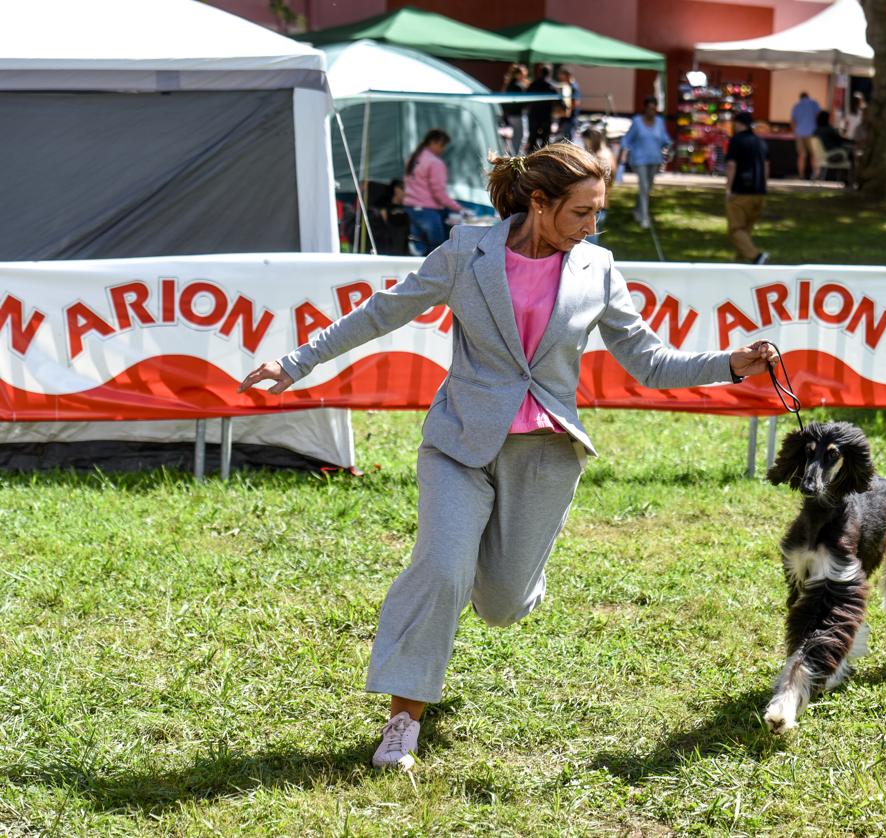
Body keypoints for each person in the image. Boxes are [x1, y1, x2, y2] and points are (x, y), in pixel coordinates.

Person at [236, 142, 780, 771]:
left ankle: (510, 576)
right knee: (440, 571)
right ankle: (402, 723)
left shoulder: (597, 268)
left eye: (598, 213)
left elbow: (648, 360)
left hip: (544, 452)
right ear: (539, 203)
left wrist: (728, 364)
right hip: (459, 443)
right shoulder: (468, 252)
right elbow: (382, 313)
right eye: (582, 212)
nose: (591, 227)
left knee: (500, 605)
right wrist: (296, 362)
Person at [402, 129, 463, 256]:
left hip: (411, 209)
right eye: (442, 146)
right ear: (434, 142)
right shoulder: (435, 163)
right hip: (428, 212)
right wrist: (458, 208)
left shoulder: (413, 159)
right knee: (436, 251)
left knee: (417, 249)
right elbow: (438, 193)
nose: (442, 150)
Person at [618, 96, 672, 229]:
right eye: (649, 108)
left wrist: (670, 146)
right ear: (645, 109)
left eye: (654, 109)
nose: (652, 111)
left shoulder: (659, 122)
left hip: (655, 160)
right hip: (639, 160)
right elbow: (627, 139)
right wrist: (623, 152)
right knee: (644, 187)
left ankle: (638, 210)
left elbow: (665, 138)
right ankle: (645, 218)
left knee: (647, 188)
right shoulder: (637, 122)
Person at [724, 110, 770, 264]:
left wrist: (728, 188)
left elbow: (731, 165)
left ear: (738, 124)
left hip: (741, 191)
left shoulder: (736, 141)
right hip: (759, 192)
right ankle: (741, 262)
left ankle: (756, 257)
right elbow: (766, 167)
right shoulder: (761, 142)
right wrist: (764, 187)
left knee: (735, 229)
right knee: (746, 230)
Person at [581, 127, 615, 243]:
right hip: (602, 204)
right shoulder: (608, 153)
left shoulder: (601, 158)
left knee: (589, 246)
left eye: (585, 142)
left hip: (596, 207)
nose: (585, 145)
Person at [526, 64, 557, 150]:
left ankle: (530, 157)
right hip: (546, 116)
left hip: (534, 114)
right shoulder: (551, 86)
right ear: (549, 73)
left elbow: (526, 97)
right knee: (545, 140)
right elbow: (558, 101)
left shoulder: (533, 84)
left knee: (532, 138)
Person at [501, 63, 529, 156]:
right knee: (520, 136)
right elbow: (524, 102)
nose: (524, 76)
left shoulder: (509, 85)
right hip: (517, 114)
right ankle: (515, 155)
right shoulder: (518, 86)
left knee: (516, 136)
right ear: (518, 74)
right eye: (522, 74)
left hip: (511, 114)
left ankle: (513, 153)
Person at [791, 91, 820, 178]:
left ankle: (801, 175)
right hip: (812, 133)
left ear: (800, 98)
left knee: (801, 156)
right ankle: (816, 174)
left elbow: (792, 121)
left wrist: (795, 132)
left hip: (799, 133)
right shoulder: (814, 103)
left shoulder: (796, 106)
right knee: (814, 155)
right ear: (808, 96)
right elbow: (818, 116)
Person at [556, 66, 581, 144]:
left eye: (562, 77)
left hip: (570, 119)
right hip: (566, 119)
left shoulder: (573, 87)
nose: (561, 79)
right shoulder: (568, 86)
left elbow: (576, 103)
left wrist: (565, 110)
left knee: (568, 141)